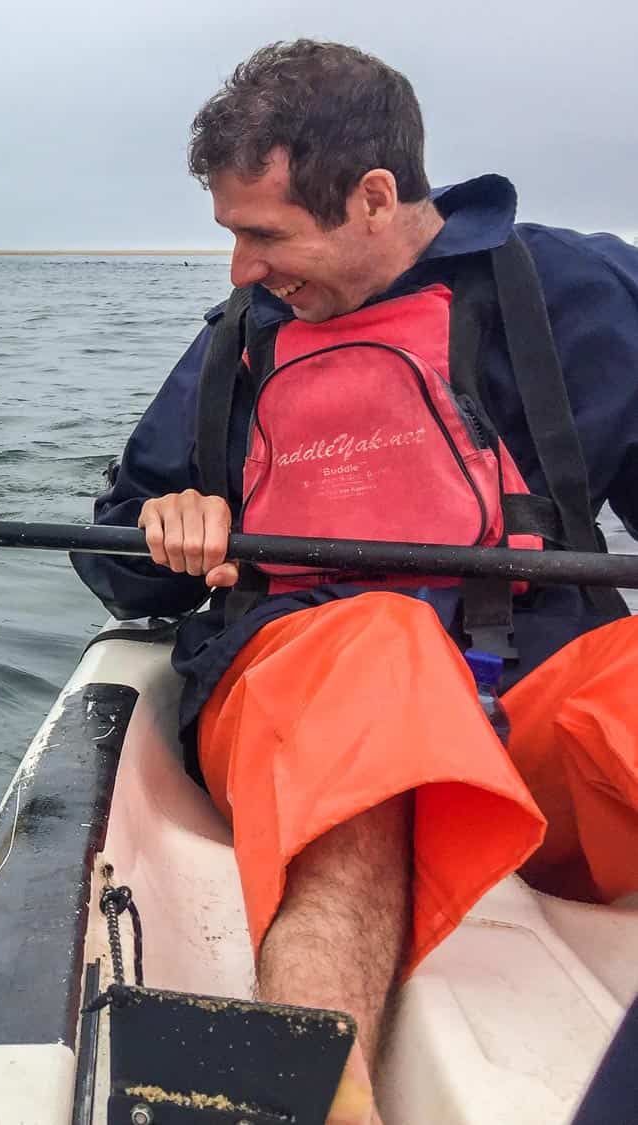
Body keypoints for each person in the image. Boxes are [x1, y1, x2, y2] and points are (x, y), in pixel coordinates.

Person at [72, 39, 638, 1124]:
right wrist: (166, 530)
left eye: (262, 233)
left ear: (376, 197)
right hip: (316, 696)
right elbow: (128, 578)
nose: (241, 268)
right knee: (383, 650)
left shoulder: (586, 293)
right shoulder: (238, 344)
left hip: (528, 712)